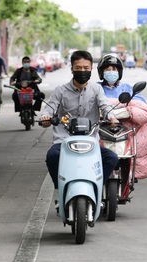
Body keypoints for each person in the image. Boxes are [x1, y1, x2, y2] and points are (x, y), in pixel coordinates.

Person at [40, 50, 119, 192]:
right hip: (64, 140)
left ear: (91, 69)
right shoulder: (60, 91)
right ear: (72, 69)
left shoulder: (96, 89)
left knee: (112, 158)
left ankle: (96, 188)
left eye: (86, 68)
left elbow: (105, 106)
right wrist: (46, 118)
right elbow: (49, 108)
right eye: (78, 68)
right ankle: (61, 189)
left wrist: (112, 117)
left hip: (90, 140)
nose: (82, 71)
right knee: (52, 156)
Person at [97, 53, 147, 179]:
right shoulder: (95, 88)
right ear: (101, 72)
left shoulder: (127, 88)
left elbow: (142, 106)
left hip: (125, 131)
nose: (111, 72)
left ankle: (134, 168)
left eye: (114, 69)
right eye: (107, 69)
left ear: (120, 72)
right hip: (100, 129)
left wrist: (128, 111)